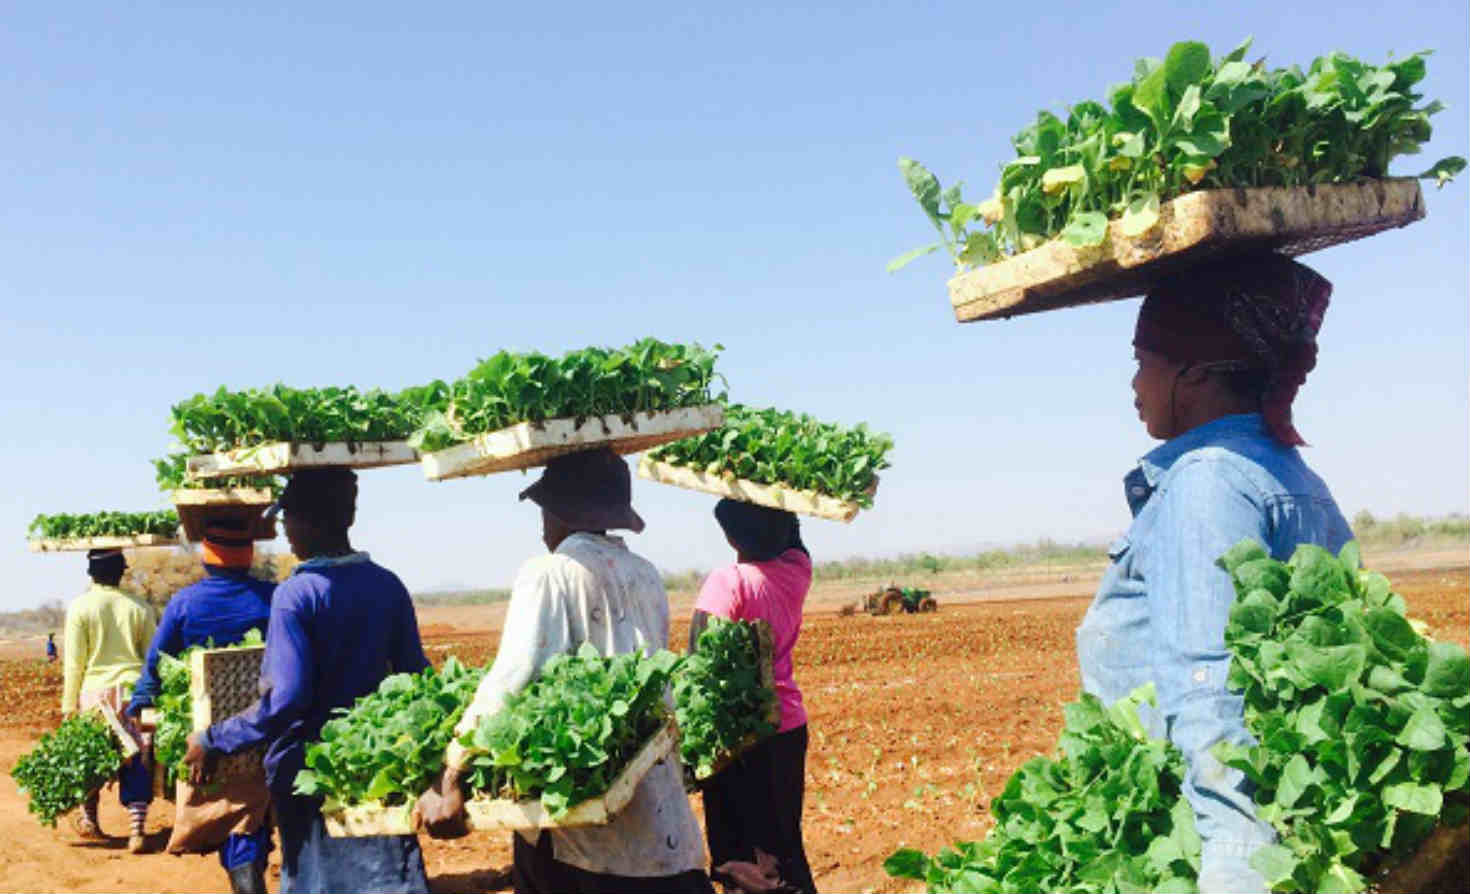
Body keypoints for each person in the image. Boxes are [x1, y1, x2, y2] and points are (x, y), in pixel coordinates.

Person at [1075, 251, 1354, 893]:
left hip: (1211, 842)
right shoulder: (1293, 477)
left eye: (1144, 361)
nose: (1134, 384)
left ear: (1194, 375)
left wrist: (1234, 866)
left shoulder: (1205, 484)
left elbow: (1211, 693)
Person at [417, 447, 713, 894]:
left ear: (559, 511)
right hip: (660, 816)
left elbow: (512, 679)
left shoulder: (550, 573)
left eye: (544, 510)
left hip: (585, 837)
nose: (541, 525)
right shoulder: (647, 575)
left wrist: (451, 770)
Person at [183, 468, 431, 894]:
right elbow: (416, 679)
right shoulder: (388, 585)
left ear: (312, 522)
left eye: (289, 519)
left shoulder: (296, 594)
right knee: (386, 876)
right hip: (378, 766)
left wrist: (213, 738)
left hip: (310, 772)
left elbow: (286, 698)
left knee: (319, 880)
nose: (284, 530)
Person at [128, 518, 275, 894]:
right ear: (247, 558)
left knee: (230, 806)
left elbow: (157, 663)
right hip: (266, 728)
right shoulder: (274, 597)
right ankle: (249, 864)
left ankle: (245, 872)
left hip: (203, 736)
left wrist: (141, 703)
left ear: (208, 559)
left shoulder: (185, 603)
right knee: (256, 809)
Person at [689, 499, 817, 894]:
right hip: (788, 728)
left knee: (740, 859)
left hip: (740, 737)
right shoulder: (797, 570)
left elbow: (700, 662)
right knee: (783, 847)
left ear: (729, 536)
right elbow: (795, 538)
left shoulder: (729, 581)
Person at [61, 547, 158, 852]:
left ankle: (90, 821)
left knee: (92, 758)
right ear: (120, 572)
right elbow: (152, 660)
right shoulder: (140, 608)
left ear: (91, 574)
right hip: (134, 693)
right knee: (138, 758)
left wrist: (68, 706)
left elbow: (74, 663)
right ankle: (137, 830)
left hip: (95, 695)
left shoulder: (80, 608)